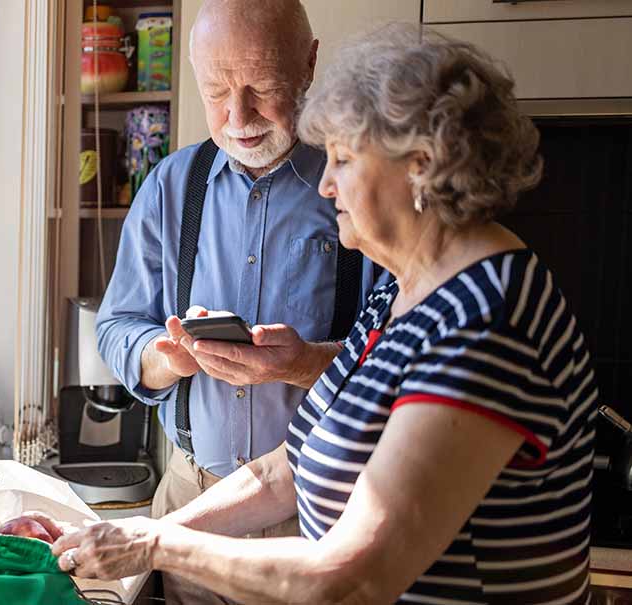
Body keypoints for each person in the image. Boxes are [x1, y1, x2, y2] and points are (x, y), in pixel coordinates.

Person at [48, 24, 597, 604]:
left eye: (342, 159)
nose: (327, 184)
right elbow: (282, 472)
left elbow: (355, 576)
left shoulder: (486, 319)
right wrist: (149, 531)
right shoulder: (408, 295)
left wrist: (157, 547)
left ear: (420, 165)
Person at [95, 2, 381, 601]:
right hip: (191, 492)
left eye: (262, 87)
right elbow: (118, 323)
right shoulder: (171, 187)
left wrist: (302, 363)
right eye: (217, 90)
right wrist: (165, 357)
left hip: (314, 513)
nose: (238, 115)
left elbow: (397, 359)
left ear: (309, 64)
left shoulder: (360, 192)